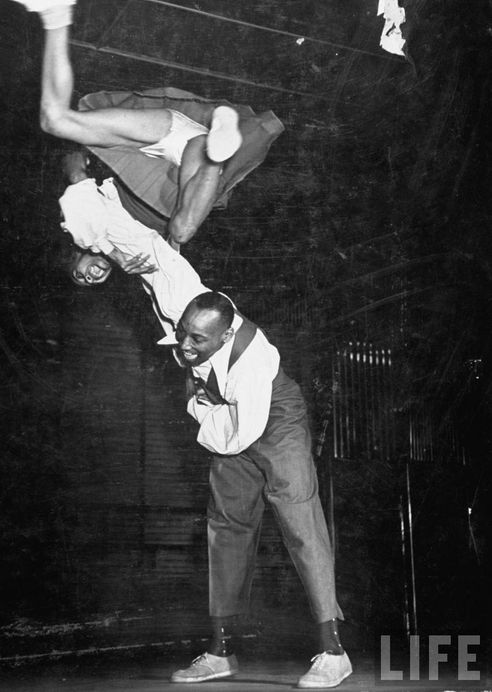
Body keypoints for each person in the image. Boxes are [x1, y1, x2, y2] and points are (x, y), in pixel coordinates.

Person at [57, 154, 353, 689]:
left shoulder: (251, 363)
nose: (187, 347)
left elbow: (235, 432)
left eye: (199, 342)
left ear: (222, 334)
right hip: (220, 407)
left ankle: (333, 650)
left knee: (298, 517)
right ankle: (220, 653)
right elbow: (150, 252)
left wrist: (199, 408)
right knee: (225, 526)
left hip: (269, 414)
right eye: (185, 335)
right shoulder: (184, 301)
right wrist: (85, 198)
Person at [0, 0, 284, 247]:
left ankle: (55, 10)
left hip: (172, 141)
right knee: (181, 231)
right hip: (182, 152)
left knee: (55, 121)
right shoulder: (130, 248)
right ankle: (214, 156)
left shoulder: (100, 226)